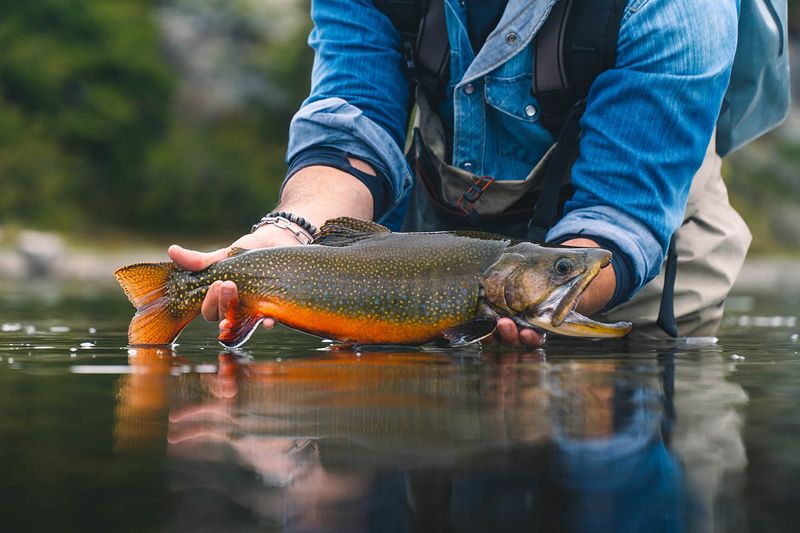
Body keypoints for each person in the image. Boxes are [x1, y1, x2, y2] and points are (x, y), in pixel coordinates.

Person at [169, 0, 750, 347]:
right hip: (429, 260)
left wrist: (547, 296)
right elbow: (355, 120)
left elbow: (622, 211)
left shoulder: (681, 9)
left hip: (635, 256)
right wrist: (290, 232)